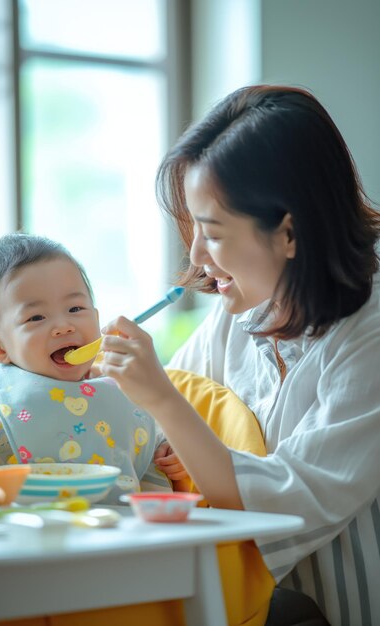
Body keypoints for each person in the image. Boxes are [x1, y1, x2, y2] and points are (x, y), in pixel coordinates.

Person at [97, 85, 380, 626]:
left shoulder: (370, 334)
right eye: (193, 231)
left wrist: (160, 396)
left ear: (290, 231)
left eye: (214, 233)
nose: (198, 259)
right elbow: (143, 424)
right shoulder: (241, 313)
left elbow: (287, 505)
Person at [0, 233, 176, 501]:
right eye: (36, 317)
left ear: (97, 319)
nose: (64, 326)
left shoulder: (124, 388)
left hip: (118, 531)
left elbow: (147, 441)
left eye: (75, 308)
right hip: (29, 531)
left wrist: (169, 452)